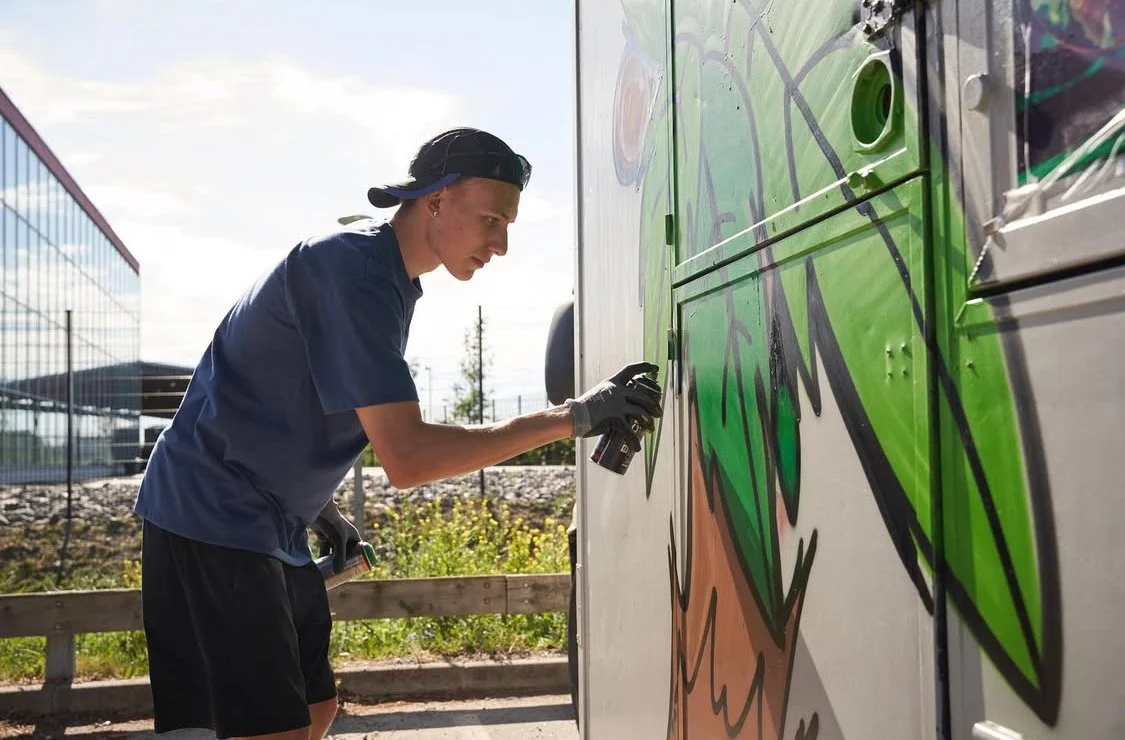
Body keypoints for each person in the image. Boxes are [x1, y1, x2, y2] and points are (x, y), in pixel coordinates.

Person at [132, 126, 662, 740]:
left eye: (509, 225)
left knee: (315, 710)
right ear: (434, 200)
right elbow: (406, 457)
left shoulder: (386, 279)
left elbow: (277, 397)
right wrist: (575, 416)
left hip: (270, 518)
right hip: (210, 515)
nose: (503, 243)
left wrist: (319, 506)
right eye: (492, 219)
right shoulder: (352, 272)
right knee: (258, 728)